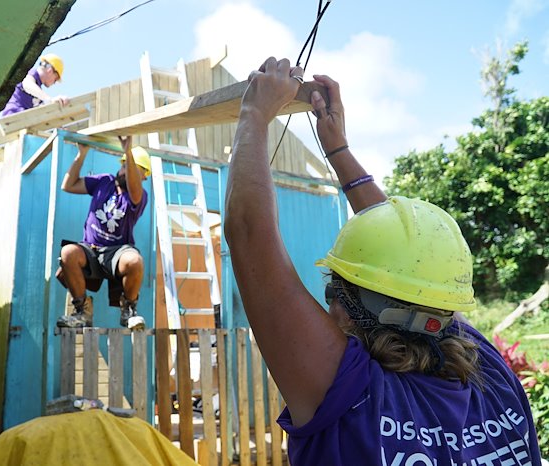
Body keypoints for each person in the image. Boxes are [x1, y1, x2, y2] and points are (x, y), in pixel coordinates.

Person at [224, 57, 541, 465]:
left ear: (350, 307)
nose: (327, 307)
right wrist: (338, 149)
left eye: (331, 291)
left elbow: (250, 234)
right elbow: (416, 256)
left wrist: (253, 114)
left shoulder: (349, 394)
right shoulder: (488, 373)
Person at [56, 137, 151, 330]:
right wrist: (81, 155)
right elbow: (68, 185)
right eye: (124, 165)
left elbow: (134, 190)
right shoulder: (104, 182)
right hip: (90, 249)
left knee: (135, 261)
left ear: (143, 177)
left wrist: (128, 151)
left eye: (132, 168)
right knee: (67, 253)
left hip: (117, 252)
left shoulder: (139, 197)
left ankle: (129, 310)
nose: (125, 170)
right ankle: (82, 311)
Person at [1, 53, 69, 116]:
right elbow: (27, 84)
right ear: (50, 70)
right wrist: (50, 100)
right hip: (14, 115)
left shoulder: (38, 92)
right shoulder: (30, 74)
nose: (54, 82)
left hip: (22, 119)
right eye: (56, 79)